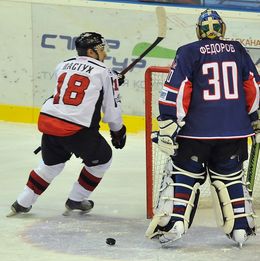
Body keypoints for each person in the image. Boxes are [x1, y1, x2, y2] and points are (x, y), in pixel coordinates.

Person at [146, 9, 260, 248]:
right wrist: (254, 117)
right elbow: (254, 87)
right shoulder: (238, 50)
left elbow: (177, 90)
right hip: (234, 132)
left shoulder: (188, 51)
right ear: (222, 29)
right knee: (231, 178)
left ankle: (174, 222)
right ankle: (241, 227)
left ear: (199, 31)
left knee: (185, 175)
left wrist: (168, 122)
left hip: (196, 132)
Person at [7, 32, 126, 216]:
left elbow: (78, 86)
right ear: (91, 51)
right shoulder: (105, 73)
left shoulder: (63, 64)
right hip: (78, 129)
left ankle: (22, 202)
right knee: (102, 160)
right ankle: (76, 199)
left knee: (50, 166)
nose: (105, 54)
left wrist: (112, 80)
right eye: (102, 50)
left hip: (50, 122)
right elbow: (112, 110)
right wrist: (118, 132)